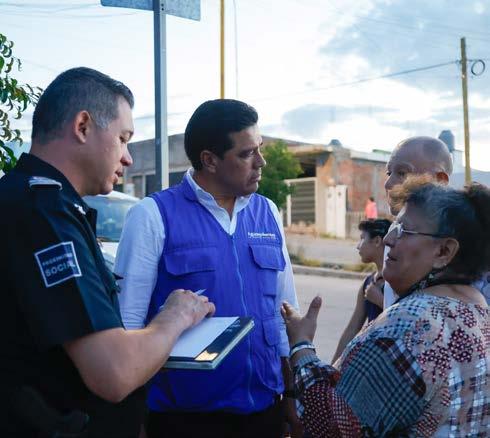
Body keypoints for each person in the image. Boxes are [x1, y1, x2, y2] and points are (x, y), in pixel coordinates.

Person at [0, 67, 215, 438]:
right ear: (83, 126)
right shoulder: (43, 214)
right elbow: (114, 373)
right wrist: (176, 316)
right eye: (123, 138)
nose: (128, 157)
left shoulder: (28, 200)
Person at [115, 99, 301, 438]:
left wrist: (290, 395)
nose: (261, 162)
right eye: (247, 154)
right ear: (210, 160)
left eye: (259, 149)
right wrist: (131, 420)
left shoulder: (268, 213)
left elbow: (282, 316)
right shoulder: (152, 216)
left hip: (264, 414)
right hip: (183, 420)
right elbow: (128, 326)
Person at [281, 176, 489, 437]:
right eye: (394, 227)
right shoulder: (480, 312)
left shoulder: (408, 326)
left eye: (405, 231)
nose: (389, 239)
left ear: (443, 252)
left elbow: (335, 428)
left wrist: (301, 347)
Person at [383, 135, 489, 307]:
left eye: (402, 173)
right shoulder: (396, 235)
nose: (388, 183)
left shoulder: (465, 244)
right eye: (389, 173)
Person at [331, 218, 391, 363]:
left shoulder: (396, 281)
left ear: (377, 241)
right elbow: (352, 329)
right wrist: (333, 366)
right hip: (370, 359)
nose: (358, 246)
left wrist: (380, 300)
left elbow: (406, 319)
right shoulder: (368, 283)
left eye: (362, 238)